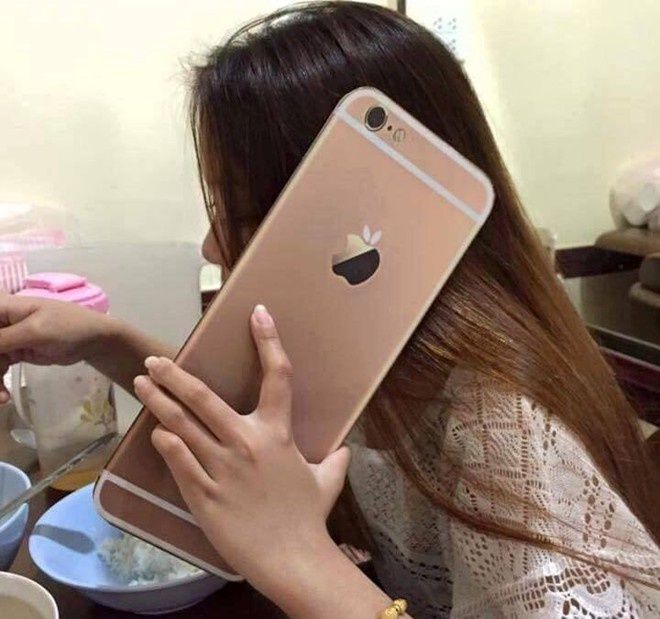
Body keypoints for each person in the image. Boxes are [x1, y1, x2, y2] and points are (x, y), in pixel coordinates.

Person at [1, 3, 658, 617]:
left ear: (361, 229)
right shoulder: (372, 359)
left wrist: (296, 555)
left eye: (238, 213)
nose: (211, 246)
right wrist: (103, 339)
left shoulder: (503, 429)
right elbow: (246, 424)